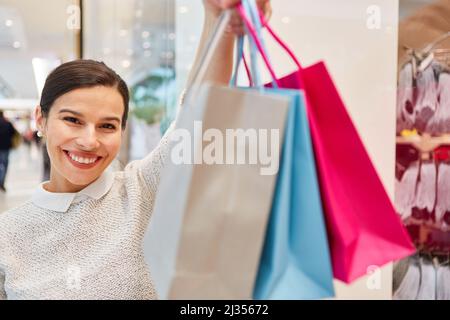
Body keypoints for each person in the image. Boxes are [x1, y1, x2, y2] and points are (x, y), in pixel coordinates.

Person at [0, 0, 271, 300]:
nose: (89, 141)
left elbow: (197, 116)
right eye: (73, 120)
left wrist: (217, 18)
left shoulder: (142, 189)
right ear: (41, 118)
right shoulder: (8, 234)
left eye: (107, 126)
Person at [0, 110, 17, 192]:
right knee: (4, 166)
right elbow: (13, 133)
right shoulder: (7, 123)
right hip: (5, 148)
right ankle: (2, 182)